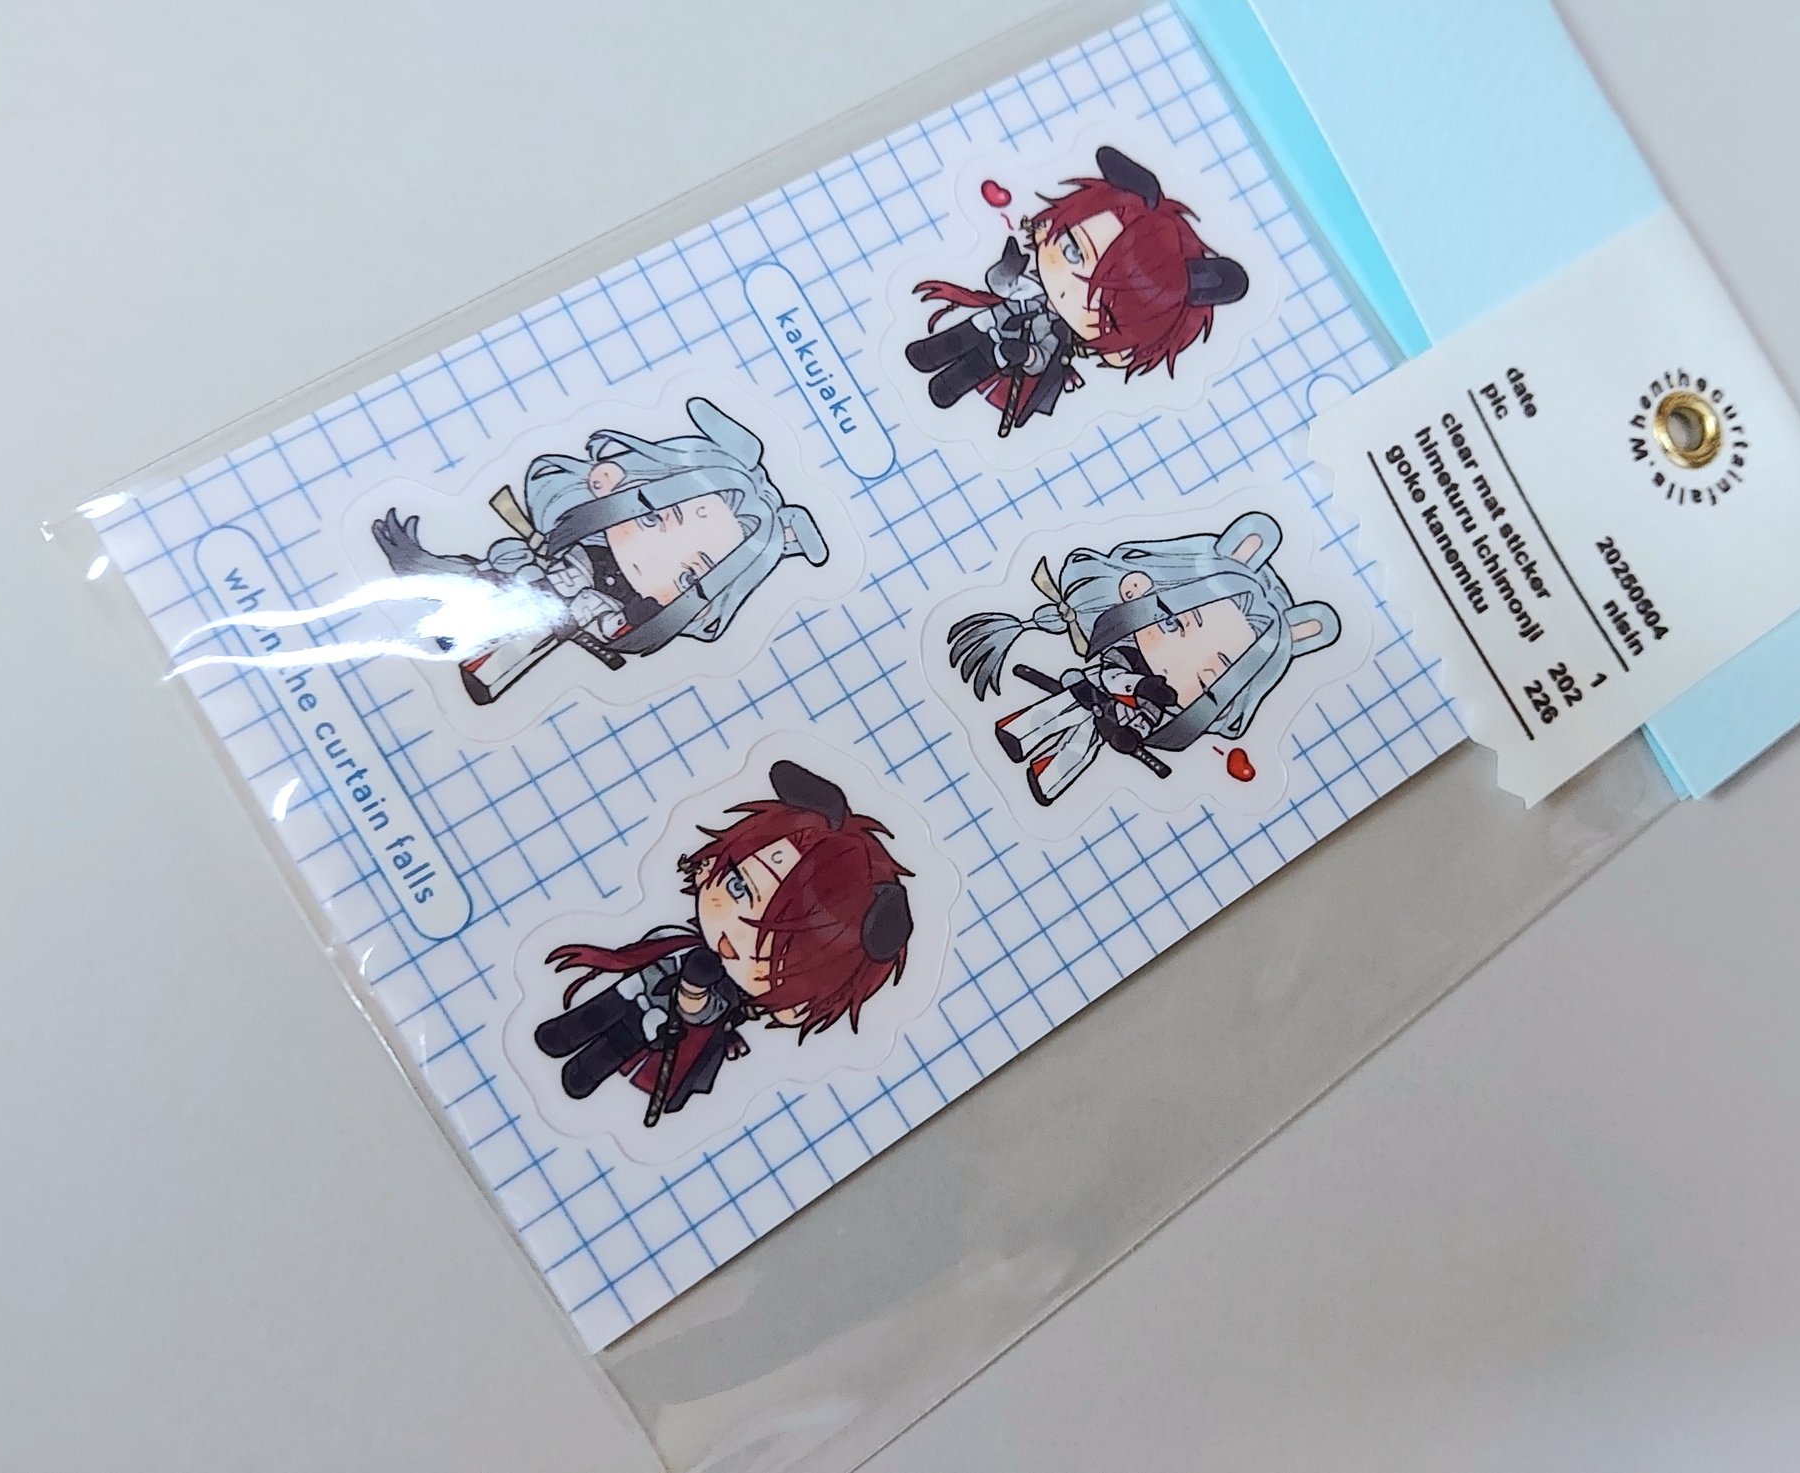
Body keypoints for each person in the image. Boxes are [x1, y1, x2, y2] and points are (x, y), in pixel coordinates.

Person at [369, 396, 828, 703]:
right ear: (612, 482)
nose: (660, 560)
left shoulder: (637, 609)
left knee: (527, 632)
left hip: (567, 621)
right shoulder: (578, 549)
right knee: (517, 578)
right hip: (542, 588)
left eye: (691, 575)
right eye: (655, 519)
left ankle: (476, 651)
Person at [534, 762, 913, 1125]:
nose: (736, 935)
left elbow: (701, 1014)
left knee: (623, 1040)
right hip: (645, 981)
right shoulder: (681, 941)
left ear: (795, 1007)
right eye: (738, 885)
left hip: (665, 1022)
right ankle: (565, 1031)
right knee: (609, 1004)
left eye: (776, 946)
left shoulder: (728, 995)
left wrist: (693, 993)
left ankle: (585, 1071)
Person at [948, 512, 1339, 804]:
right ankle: (1018, 734)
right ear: (1139, 591)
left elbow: (1147, 717)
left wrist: (1130, 734)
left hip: (1109, 723)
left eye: (1209, 678)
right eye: (1176, 624)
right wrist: (1139, 686)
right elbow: (1112, 677)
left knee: (1079, 749)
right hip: (1088, 695)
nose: (1185, 663)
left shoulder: (1167, 707)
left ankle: (1046, 779)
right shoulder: (1124, 655)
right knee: (1054, 715)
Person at [905, 145, 1248, 435]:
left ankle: (947, 387)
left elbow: (1041, 360)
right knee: (960, 336)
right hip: (988, 322)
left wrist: (1024, 355)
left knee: (970, 371)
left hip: (1006, 355)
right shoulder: (1033, 287)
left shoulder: (1059, 338)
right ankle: (930, 352)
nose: (1072, 287)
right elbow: (1002, 285)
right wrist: (1009, 267)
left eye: (1104, 304)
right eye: (1072, 250)